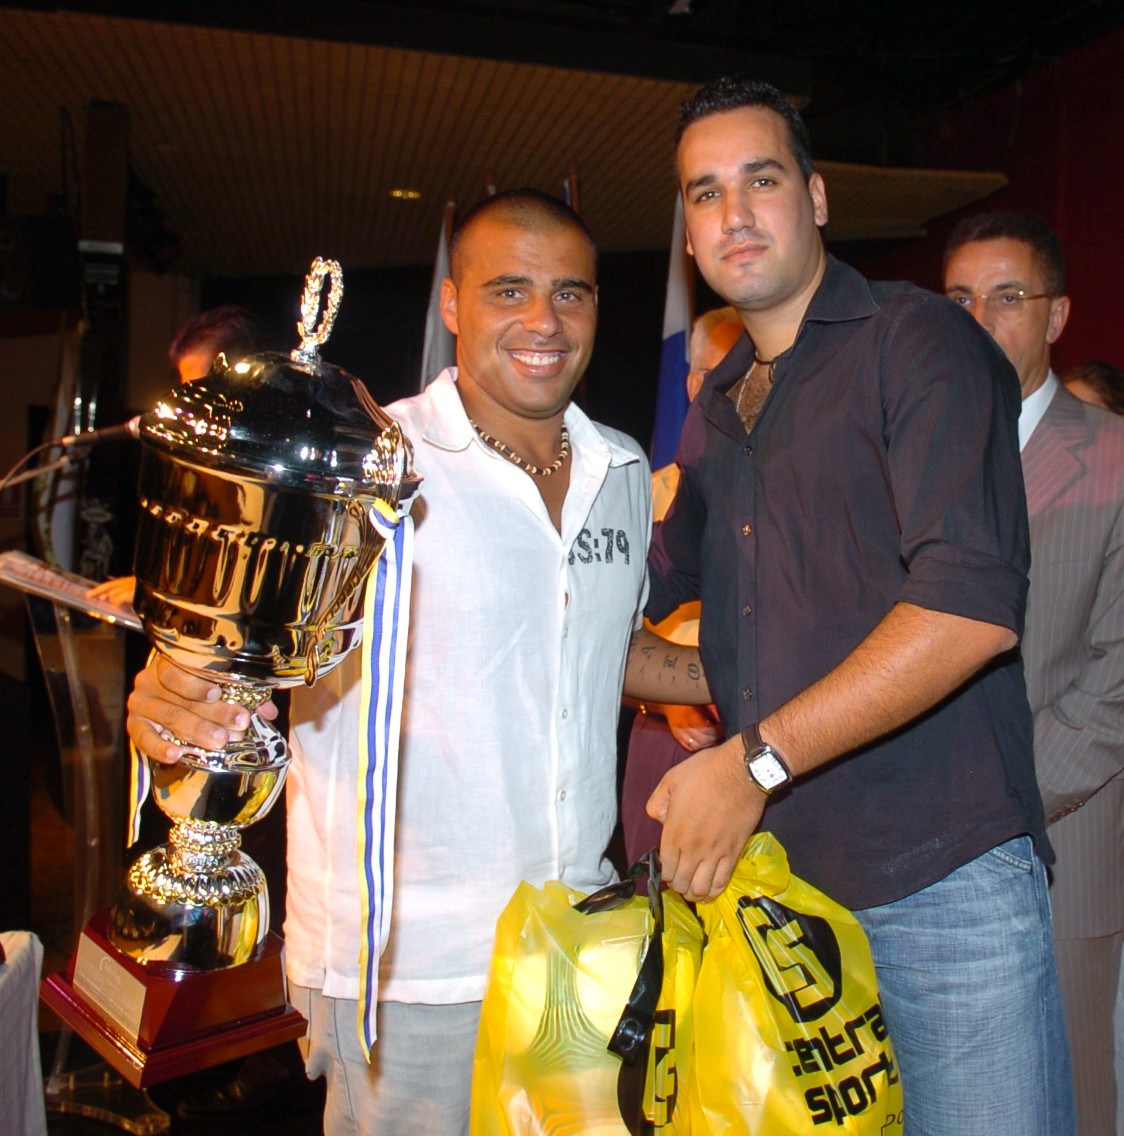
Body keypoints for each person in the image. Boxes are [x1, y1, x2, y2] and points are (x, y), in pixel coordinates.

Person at [125, 189, 698, 1136]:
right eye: (509, 290)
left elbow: (602, 644)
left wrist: (746, 677)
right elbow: (230, 655)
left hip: (581, 944)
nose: (544, 321)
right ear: (453, 304)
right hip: (409, 975)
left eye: (571, 293)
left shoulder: (624, 468)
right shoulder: (363, 469)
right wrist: (174, 693)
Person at [643, 74, 1074, 1134]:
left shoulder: (916, 340)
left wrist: (747, 766)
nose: (734, 214)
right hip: (788, 895)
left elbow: (967, 610)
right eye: (705, 193)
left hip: (942, 882)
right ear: (688, 233)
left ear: (818, 197)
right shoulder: (717, 407)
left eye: (761, 180)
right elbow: (673, 619)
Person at [944, 211, 1124, 1136]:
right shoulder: (901, 453)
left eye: (1007, 298)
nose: (979, 320)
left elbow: (1117, 683)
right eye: (960, 299)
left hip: (1059, 845)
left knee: (1071, 1103)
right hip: (912, 862)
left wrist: (993, 799)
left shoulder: (1114, 458)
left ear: (1056, 316)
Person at [621, 305, 741, 863]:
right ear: (694, 384)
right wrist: (666, 701)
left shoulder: (802, 495)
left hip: (776, 741)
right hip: (670, 736)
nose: (744, 387)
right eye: (726, 372)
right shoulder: (634, 499)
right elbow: (591, 645)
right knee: (658, 898)